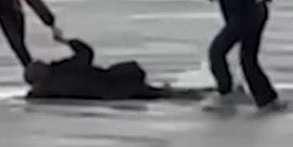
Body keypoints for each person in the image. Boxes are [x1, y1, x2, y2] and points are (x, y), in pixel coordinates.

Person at [23, 35, 203, 101]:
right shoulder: (60, 70)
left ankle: (185, 94)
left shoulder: (45, 89)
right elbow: (86, 53)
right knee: (159, 94)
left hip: (110, 92)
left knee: (156, 94)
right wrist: (67, 41)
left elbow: (33, 95)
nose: (41, 61)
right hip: (113, 83)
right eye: (38, 63)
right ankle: (196, 94)